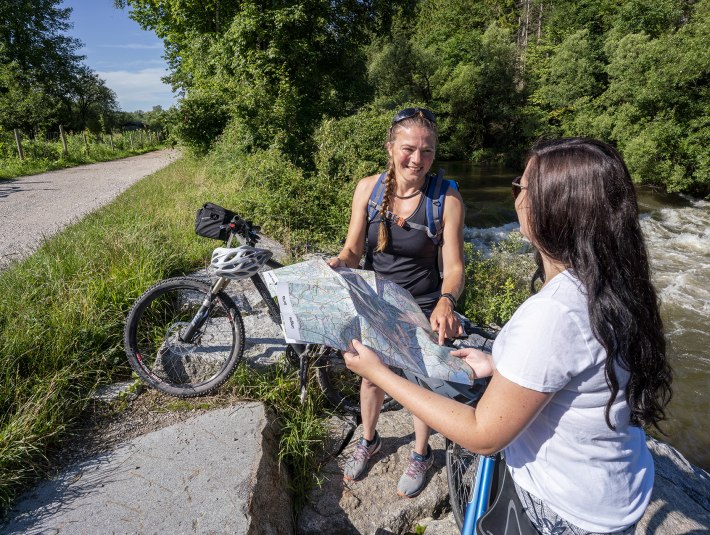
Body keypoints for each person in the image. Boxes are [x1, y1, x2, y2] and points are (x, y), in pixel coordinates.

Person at [343, 138, 673, 533]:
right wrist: (499, 362)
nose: (515, 195)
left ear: (553, 209)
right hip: (614, 493)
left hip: (564, 510)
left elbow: (483, 436)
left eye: (521, 187)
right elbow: (577, 362)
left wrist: (380, 374)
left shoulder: (553, 313)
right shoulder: (611, 282)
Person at [327, 107, 466, 498]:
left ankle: (422, 452)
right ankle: (369, 440)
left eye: (427, 152)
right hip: (377, 301)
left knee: (419, 379)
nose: (417, 160)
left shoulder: (446, 198)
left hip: (423, 303)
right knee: (372, 376)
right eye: (408, 149)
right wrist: (338, 265)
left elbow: (454, 267)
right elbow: (354, 249)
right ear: (390, 148)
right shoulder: (368, 189)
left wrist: (446, 301)